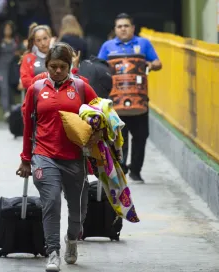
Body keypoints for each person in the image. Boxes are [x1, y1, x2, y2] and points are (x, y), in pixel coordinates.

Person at [16, 42, 100, 271]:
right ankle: (52, 252)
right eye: (53, 66)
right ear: (47, 65)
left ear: (70, 65)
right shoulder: (36, 89)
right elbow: (27, 126)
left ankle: (72, 239)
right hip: (44, 155)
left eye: (62, 66)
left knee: (79, 210)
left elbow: (100, 117)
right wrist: (25, 158)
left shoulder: (82, 88)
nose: (57, 71)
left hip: (75, 158)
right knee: (51, 202)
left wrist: (97, 142)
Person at [97, 13, 162, 183]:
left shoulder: (143, 44)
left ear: (133, 28)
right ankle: (122, 168)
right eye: (119, 26)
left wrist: (150, 64)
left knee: (141, 136)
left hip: (139, 100)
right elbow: (99, 68)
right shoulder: (107, 46)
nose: (123, 29)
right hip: (116, 102)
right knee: (119, 138)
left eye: (126, 26)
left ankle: (136, 170)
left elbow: (158, 63)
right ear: (115, 29)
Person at [0, 20, 20, 120]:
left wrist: (18, 54)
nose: (7, 31)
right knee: (3, 88)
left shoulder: (16, 40)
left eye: (9, 29)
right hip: (1, 67)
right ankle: (6, 110)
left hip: (12, 67)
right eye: (6, 29)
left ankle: (12, 107)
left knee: (10, 88)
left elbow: (21, 52)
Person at [19, 23, 52, 90]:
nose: (42, 43)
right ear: (34, 42)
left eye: (45, 38)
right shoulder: (28, 58)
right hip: (37, 96)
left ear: (50, 38)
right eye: (38, 40)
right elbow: (25, 81)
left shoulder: (59, 55)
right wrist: (44, 86)